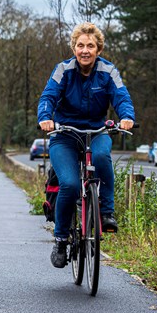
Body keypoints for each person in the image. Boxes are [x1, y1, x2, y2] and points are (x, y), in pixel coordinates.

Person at [37, 22, 135, 268]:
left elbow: (121, 96)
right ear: (74, 47)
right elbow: (48, 96)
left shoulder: (108, 71)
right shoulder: (63, 70)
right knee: (69, 184)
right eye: (80, 45)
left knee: (102, 158)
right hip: (65, 133)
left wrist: (127, 117)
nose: (85, 50)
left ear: (98, 49)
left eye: (90, 46)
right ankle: (60, 239)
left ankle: (106, 212)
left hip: (96, 130)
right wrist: (45, 118)